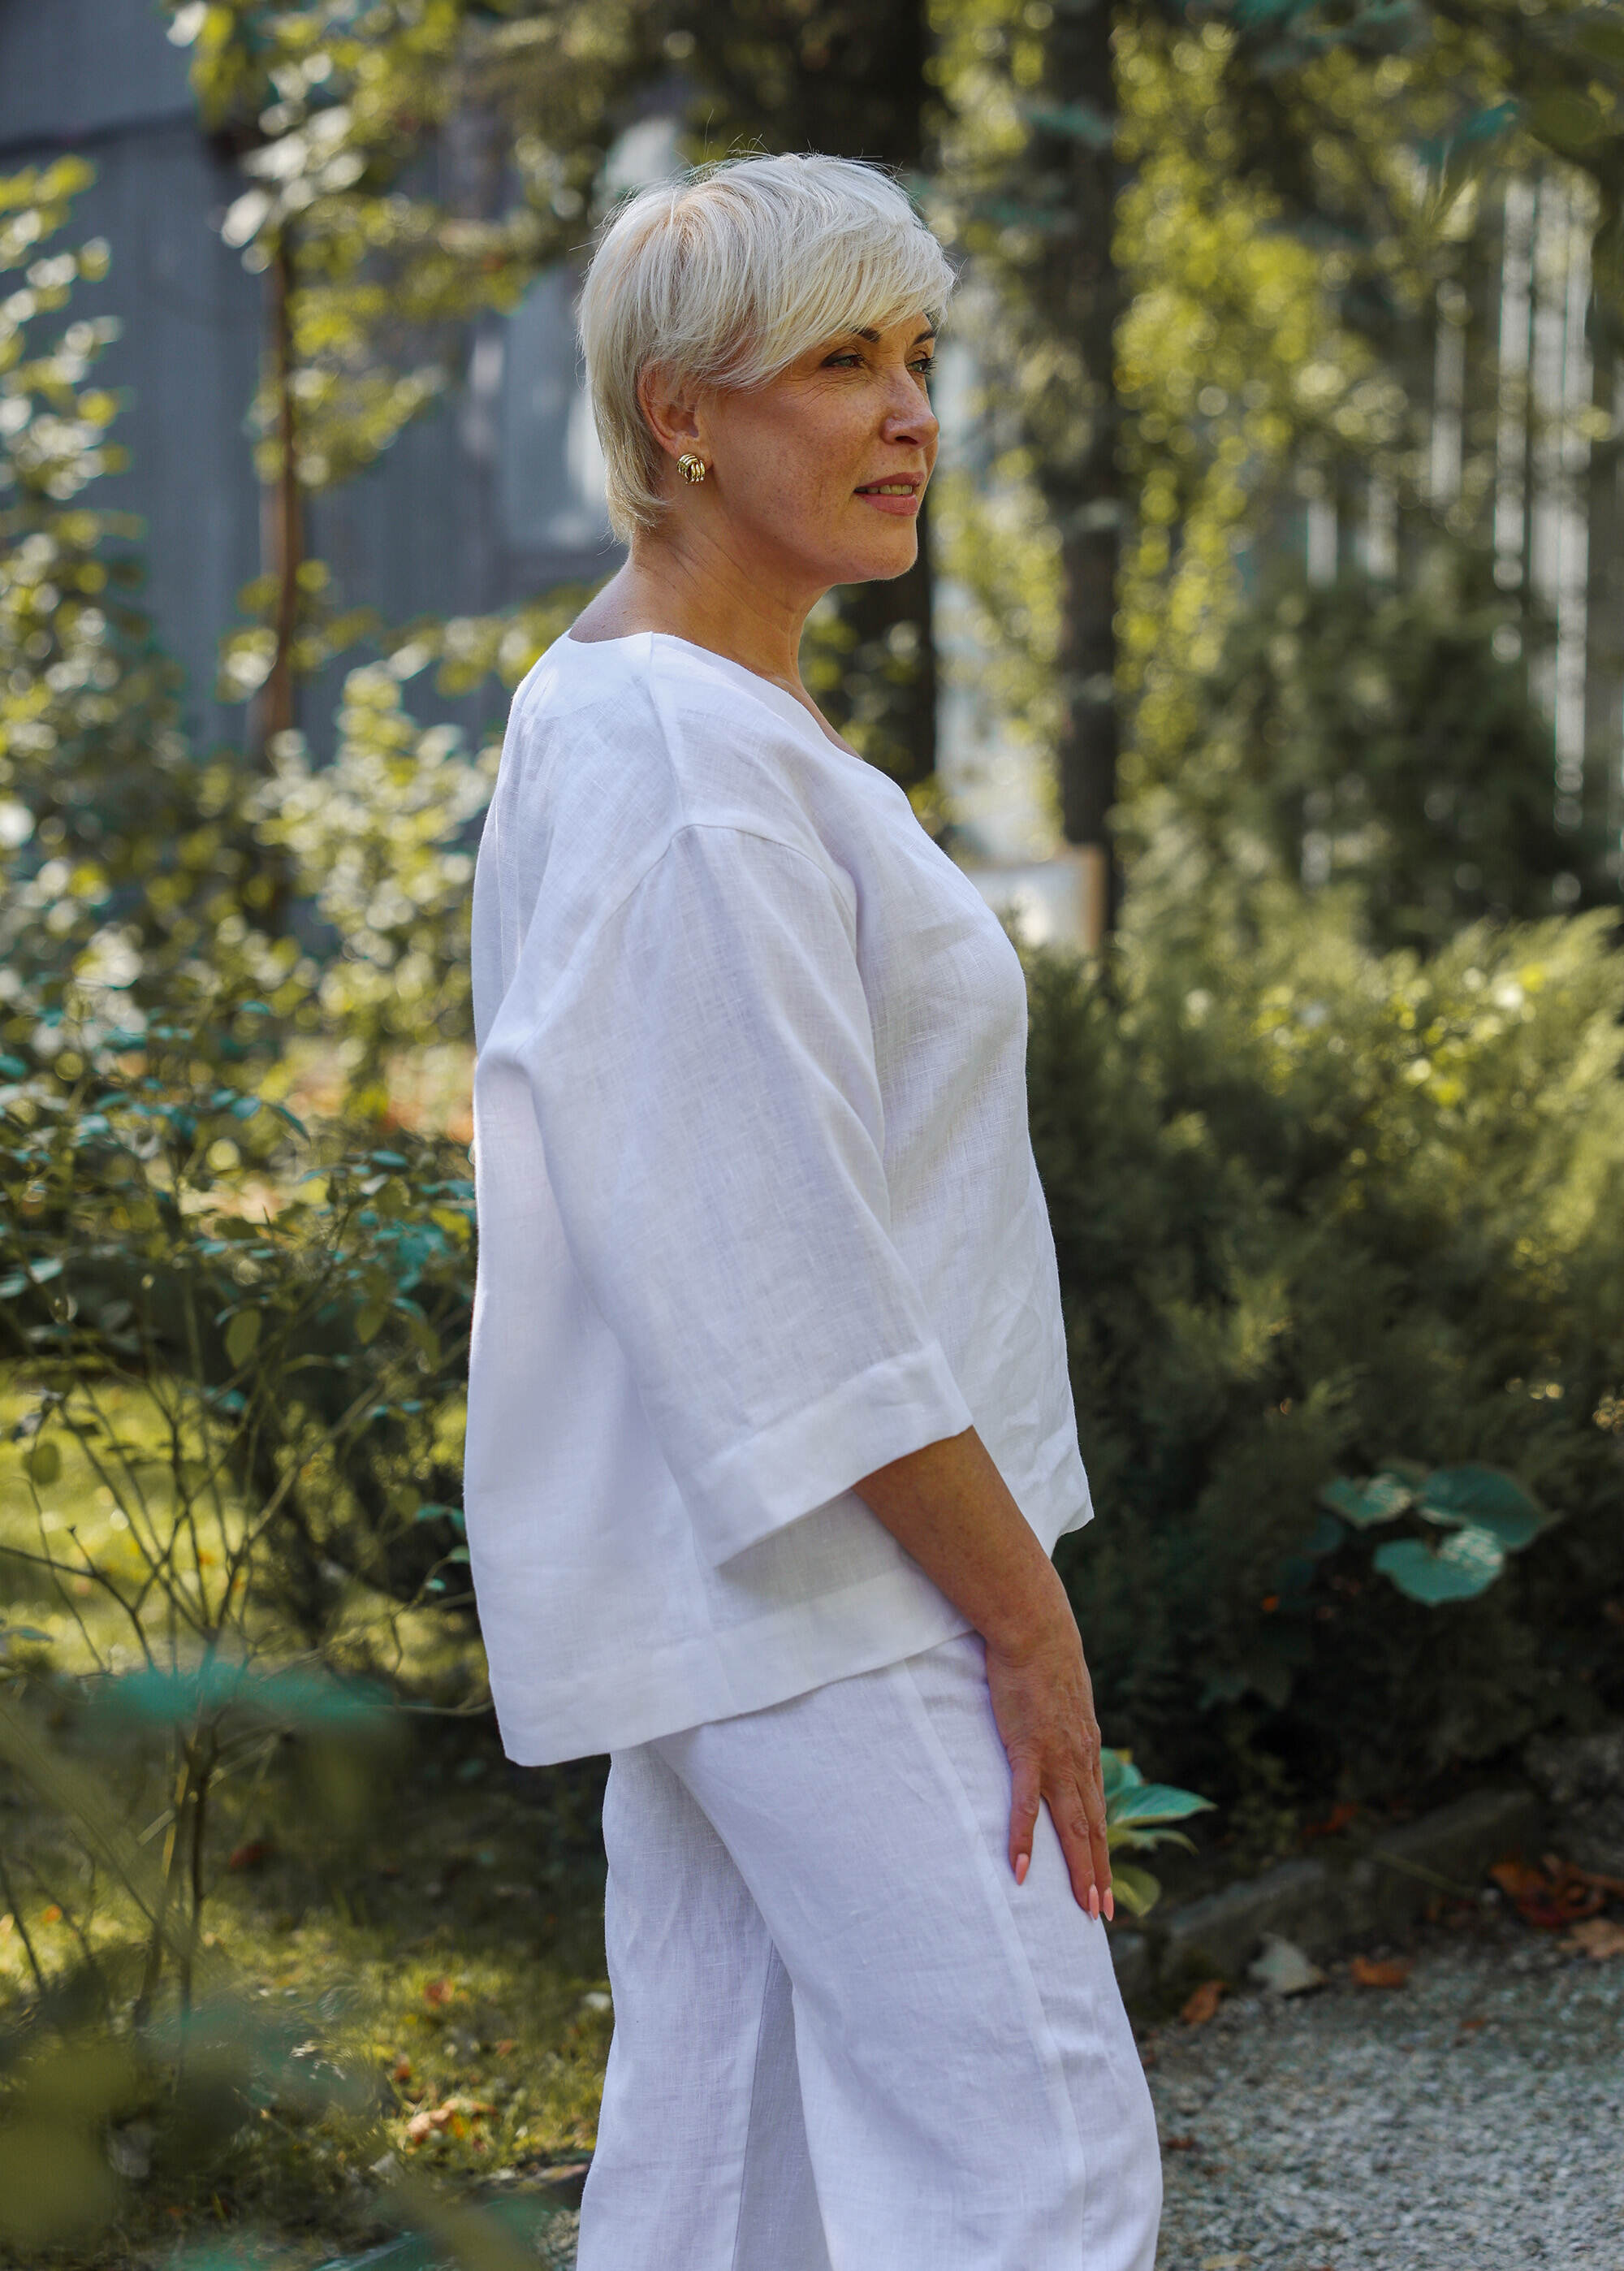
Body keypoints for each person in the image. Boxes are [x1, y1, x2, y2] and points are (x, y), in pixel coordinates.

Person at [464, 150, 1161, 2270]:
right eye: (842, 360)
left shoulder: (693, 719)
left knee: (725, 2187)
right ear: (682, 412)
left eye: (922, 355)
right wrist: (1026, 1631)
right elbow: (788, 1291)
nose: (912, 413)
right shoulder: (683, 757)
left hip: (751, 1593)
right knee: (1033, 2166)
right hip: (831, 1597)